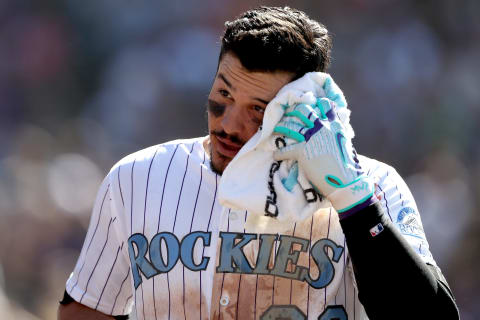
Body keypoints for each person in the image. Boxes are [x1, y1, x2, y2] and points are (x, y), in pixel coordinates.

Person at [57, 6, 459, 320]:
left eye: (258, 110)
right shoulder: (136, 179)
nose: (230, 125)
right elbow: (87, 308)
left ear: (298, 109)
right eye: (224, 95)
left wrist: (353, 202)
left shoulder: (373, 185)